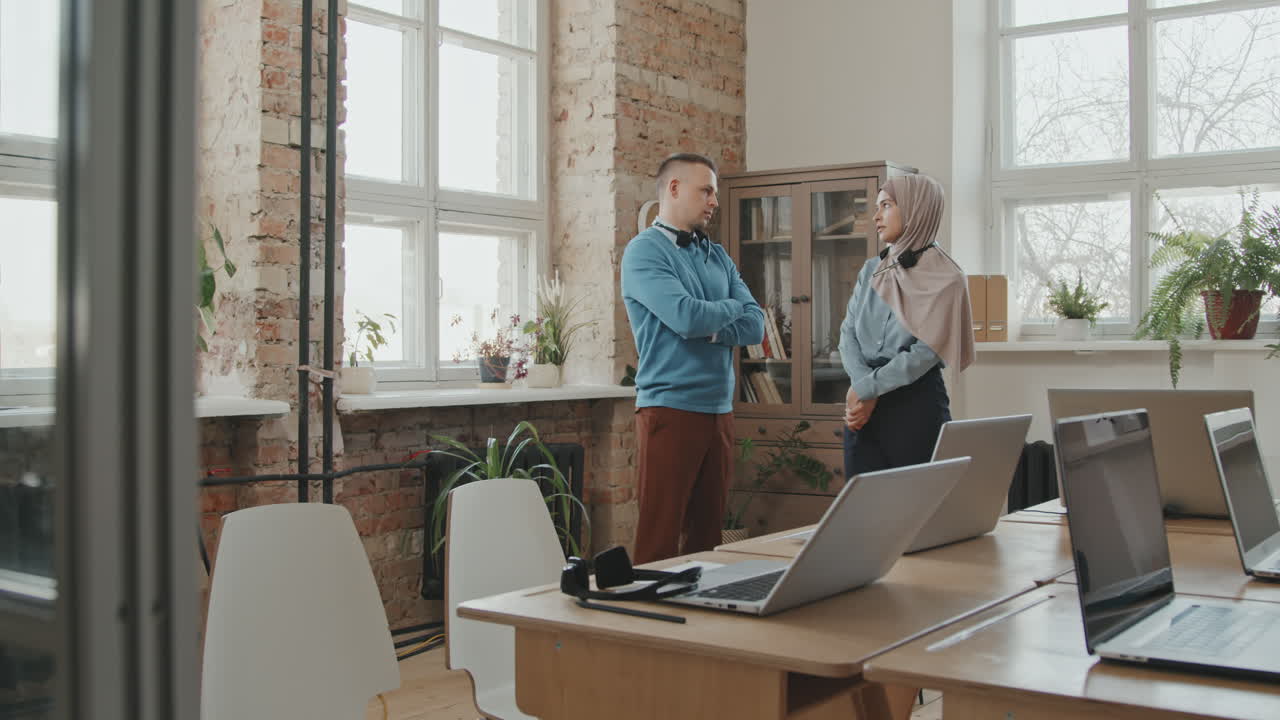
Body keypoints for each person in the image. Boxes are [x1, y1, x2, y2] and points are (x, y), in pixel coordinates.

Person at [621, 152, 765, 564]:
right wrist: (725, 313)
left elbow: (756, 325)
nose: (713, 201)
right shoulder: (643, 252)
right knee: (659, 539)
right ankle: (648, 625)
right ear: (673, 188)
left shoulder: (716, 254)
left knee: (708, 542)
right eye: (706, 191)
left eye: (714, 193)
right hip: (669, 408)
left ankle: (700, 624)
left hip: (719, 409)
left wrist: (712, 324)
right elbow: (685, 317)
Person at [839, 174, 975, 479]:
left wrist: (866, 388)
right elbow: (847, 333)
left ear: (916, 209)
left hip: (914, 407)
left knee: (917, 513)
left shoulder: (948, 278)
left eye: (886, 205)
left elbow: (925, 352)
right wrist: (863, 386)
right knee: (862, 512)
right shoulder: (871, 269)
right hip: (861, 406)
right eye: (876, 207)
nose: (875, 216)